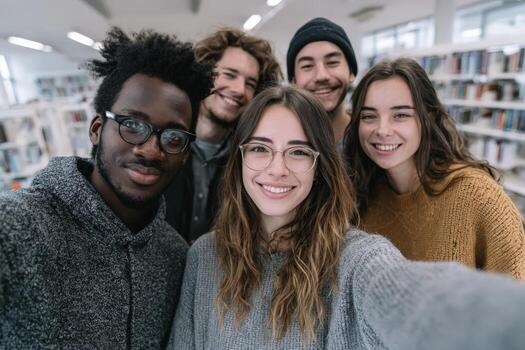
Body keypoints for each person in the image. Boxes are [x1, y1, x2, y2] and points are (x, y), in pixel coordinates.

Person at [168, 86, 525, 350]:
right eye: (260, 148)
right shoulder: (204, 257)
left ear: (320, 165)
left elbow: (413, 298)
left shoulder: (355, 260)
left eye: (298, 151)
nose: (277, 169)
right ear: (240, 158)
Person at [0, 27, 211, 349]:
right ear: (97, 129)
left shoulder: (174, 256)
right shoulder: (14, 228)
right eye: (133, 126)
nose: (151, 150)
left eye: (172, 137)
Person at [344, 57, 525, 279]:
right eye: (369, 116)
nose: (382, 130)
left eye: (401, 115)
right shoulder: (362, 197)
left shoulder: (478, 195)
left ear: (427, 119)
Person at [164, 27, 282, 244]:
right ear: (203, 73)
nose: (239, 90)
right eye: (229, 75)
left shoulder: (251, 162)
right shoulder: (164, 146)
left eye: (250, 84)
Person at [287, 17, 358, 152]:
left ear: (351, 72)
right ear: (293, 81)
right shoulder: (283, 142)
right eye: (307, 66)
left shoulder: (372, 140)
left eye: (332, 63)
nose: (321, 76)